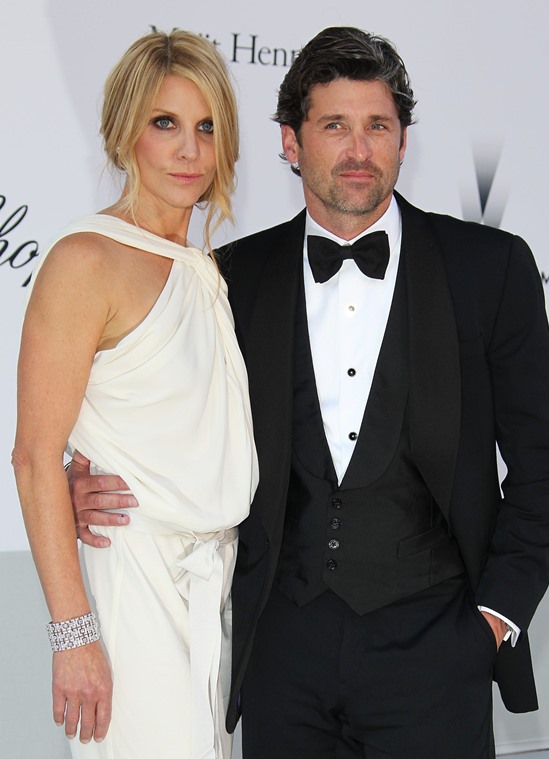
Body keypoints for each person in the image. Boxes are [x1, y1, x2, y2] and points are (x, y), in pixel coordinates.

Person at [70, 26, 549, 759]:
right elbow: (162, 419)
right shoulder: (228, 277)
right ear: (290, 142)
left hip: (437, 652)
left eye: (378, 126)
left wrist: (495, 617)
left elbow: (544, 461)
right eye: (335, 125)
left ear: (403, 140)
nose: (359, 149)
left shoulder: (487, 268)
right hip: (281, 657)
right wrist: (83, 478)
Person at [12, 29, 257, 759]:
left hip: (214, 588)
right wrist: (74, 634)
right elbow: (33, 456)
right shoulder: (85, 260)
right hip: (135, 586)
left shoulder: (204, 268)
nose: (189, 150)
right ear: (125, 133)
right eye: (166, 123)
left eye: (206, 127)